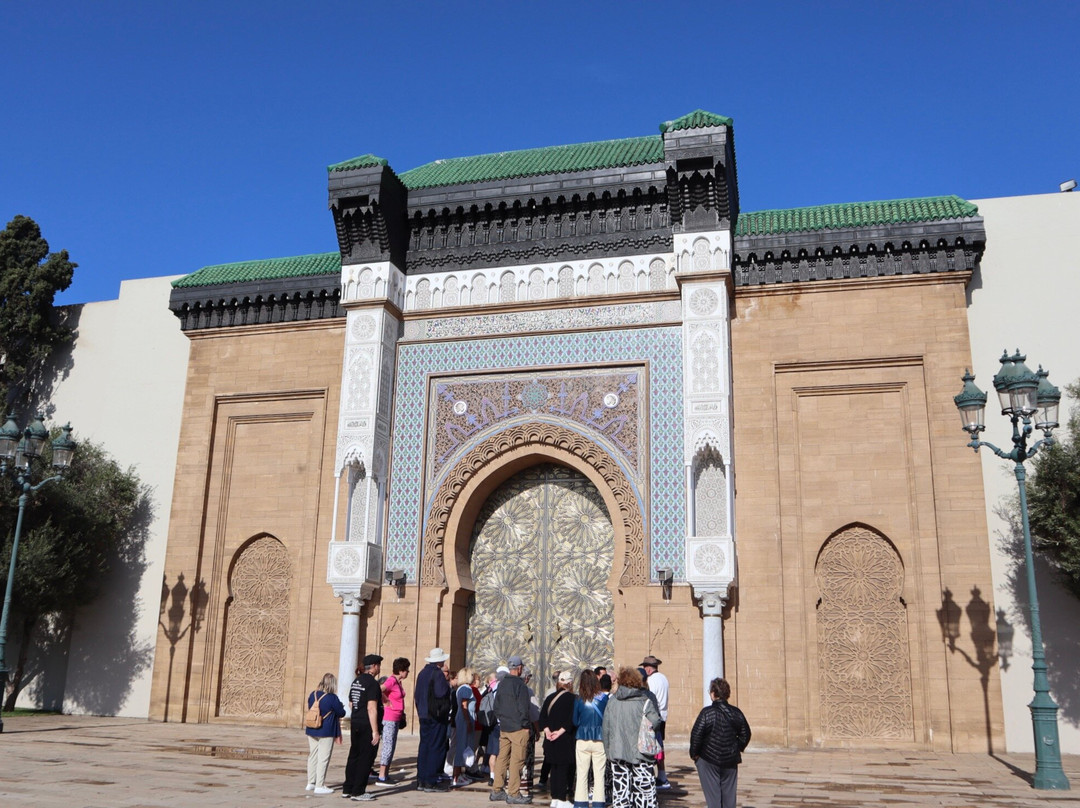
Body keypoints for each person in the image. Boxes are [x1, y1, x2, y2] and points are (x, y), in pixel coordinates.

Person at [601, 667, 660, 808]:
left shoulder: (613, 702)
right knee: (644, 790)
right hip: (641, 752)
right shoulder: (644, 701)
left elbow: (606, 728)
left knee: (621, 791)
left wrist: (608, 751)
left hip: (618, 752)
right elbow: (656, 722)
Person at [689, 678, 751, 808]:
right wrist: (736, 748)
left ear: (713, 693)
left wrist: (695, 755)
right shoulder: (736, 712)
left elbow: (696, 735)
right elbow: (746, 734)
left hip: (708, 760)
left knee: (713, 800)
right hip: (729, 760)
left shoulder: (706, 713)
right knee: (729, 799)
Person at [491, 654, 534, 804]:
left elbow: (496, 706)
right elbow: (523, 707)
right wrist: (525, 725)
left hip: (505, 727)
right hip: (518, 728)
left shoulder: (501, 684)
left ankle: (497, 789)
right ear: (520, 668)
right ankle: (514, 793)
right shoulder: (520, 685)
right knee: (517, 760)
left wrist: (503, 719)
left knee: (502, 758)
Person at [343, 654, 384, 801]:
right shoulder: (372, 683)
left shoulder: (356, 681)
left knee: (354, 755)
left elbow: (351, 703)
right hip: (367, 725)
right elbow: (372, 708)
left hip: (356, 722)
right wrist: (375, 731)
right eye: (378, 665)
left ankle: (348, 788)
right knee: (366, 758)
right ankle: (358, 791)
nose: (379, 667)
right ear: (373, 666)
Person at [415, 647, 453, 792]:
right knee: (435, 746)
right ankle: (430, 780)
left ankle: (421, 780)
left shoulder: (422, 673)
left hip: (424, 715)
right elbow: (441, 694)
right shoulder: (437, 674)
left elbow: (417, 695)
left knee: (424, 746)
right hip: (436, 716)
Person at [305, 673, 347, 795]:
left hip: (312, 728)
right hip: (326, 730)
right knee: (323, 758)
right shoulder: (332, 698)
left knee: (313, 755)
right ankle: (320, 785)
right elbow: (341, 713)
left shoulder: (313, 695)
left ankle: (311, 782)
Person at [540, 670, 577, 808]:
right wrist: (559, 732)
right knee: (562, 769)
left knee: (553, 769)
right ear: (570, 683)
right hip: (564, 739)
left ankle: (554, 797)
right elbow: (572, 720)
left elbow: (542, 716)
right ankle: (561, 798)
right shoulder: (573, 699)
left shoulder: (550, 698)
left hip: (550, 739)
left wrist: (548, 731)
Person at [572, 669, 606, 808]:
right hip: (599, 738)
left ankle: (580, 803)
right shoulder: (604, 698)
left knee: (582, 773)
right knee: (599, 774)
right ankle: (598, 803)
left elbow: (574, 721)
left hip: (582, 737)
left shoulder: (579, 699)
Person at [376, 657, 410, 785]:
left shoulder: (398, 682)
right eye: (406, 670)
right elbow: (379, 689)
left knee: (392, 745)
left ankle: (386, 773)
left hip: (396, 717)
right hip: (390, 717)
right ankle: (381, 776)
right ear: (401, 670)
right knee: (388, 746)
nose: (407, 672)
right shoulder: (391, 681)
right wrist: (386, 701)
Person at [640, 656, 669, 790]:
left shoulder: (651, 680)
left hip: (653, 716)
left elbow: (649, 699)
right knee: (659, 746)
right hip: (662, 716)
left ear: (649, 669)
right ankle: (662, 776)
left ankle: (651, 776)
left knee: (650, 746)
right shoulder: (664, 678)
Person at [452, 667, 480, 786]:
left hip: (464, 719)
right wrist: (468, 721)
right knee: (461, 747)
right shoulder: (466, 689)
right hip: (465, 720)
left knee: (463, 746)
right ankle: (457, 776)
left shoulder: (461, 688)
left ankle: (460, 774)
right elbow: (464, 706)